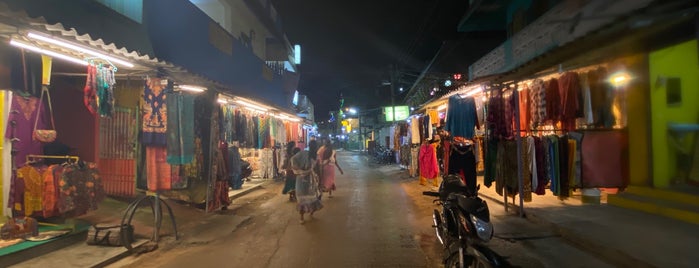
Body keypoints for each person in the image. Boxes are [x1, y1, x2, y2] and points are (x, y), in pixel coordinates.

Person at [291, 149, 323, 224]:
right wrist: (319, 179)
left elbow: (293, 160)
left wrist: (299, 170)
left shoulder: (301, 154)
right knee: (313, 198)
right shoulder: (314, 157)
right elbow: (318, 169)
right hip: (309, 179)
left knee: (301, 199)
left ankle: (301, 218)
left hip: (301, 179)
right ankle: (310, 213)